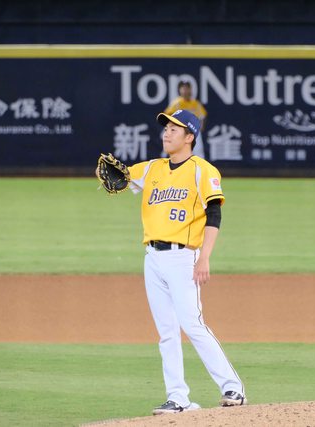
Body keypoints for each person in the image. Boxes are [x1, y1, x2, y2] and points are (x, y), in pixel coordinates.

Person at [100, 109, 246, 415]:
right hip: (152, 258)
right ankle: (178, 397)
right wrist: (109, 174)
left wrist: (204, 257)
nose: (167, 133)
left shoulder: (202, 170)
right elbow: (116, 176)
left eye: (174, 129)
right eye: (165, 128)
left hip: (184, 257)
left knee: (192, 324)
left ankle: (233, 387)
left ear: (190, 137)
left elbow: (214, 214)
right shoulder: (151, 168)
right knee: (167, 331)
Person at [164, 81, 207, 159]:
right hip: (181, 130)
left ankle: (199, 166)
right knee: (177, 150)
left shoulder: (195, 103)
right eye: (183, 88)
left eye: (187, 88)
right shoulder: (176, 103)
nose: (185, 90)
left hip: (193, 130)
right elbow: (167, 114)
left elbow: (202, 116)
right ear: (180, 90)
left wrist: (201, 126)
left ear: (190, 89)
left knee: (198, 152)